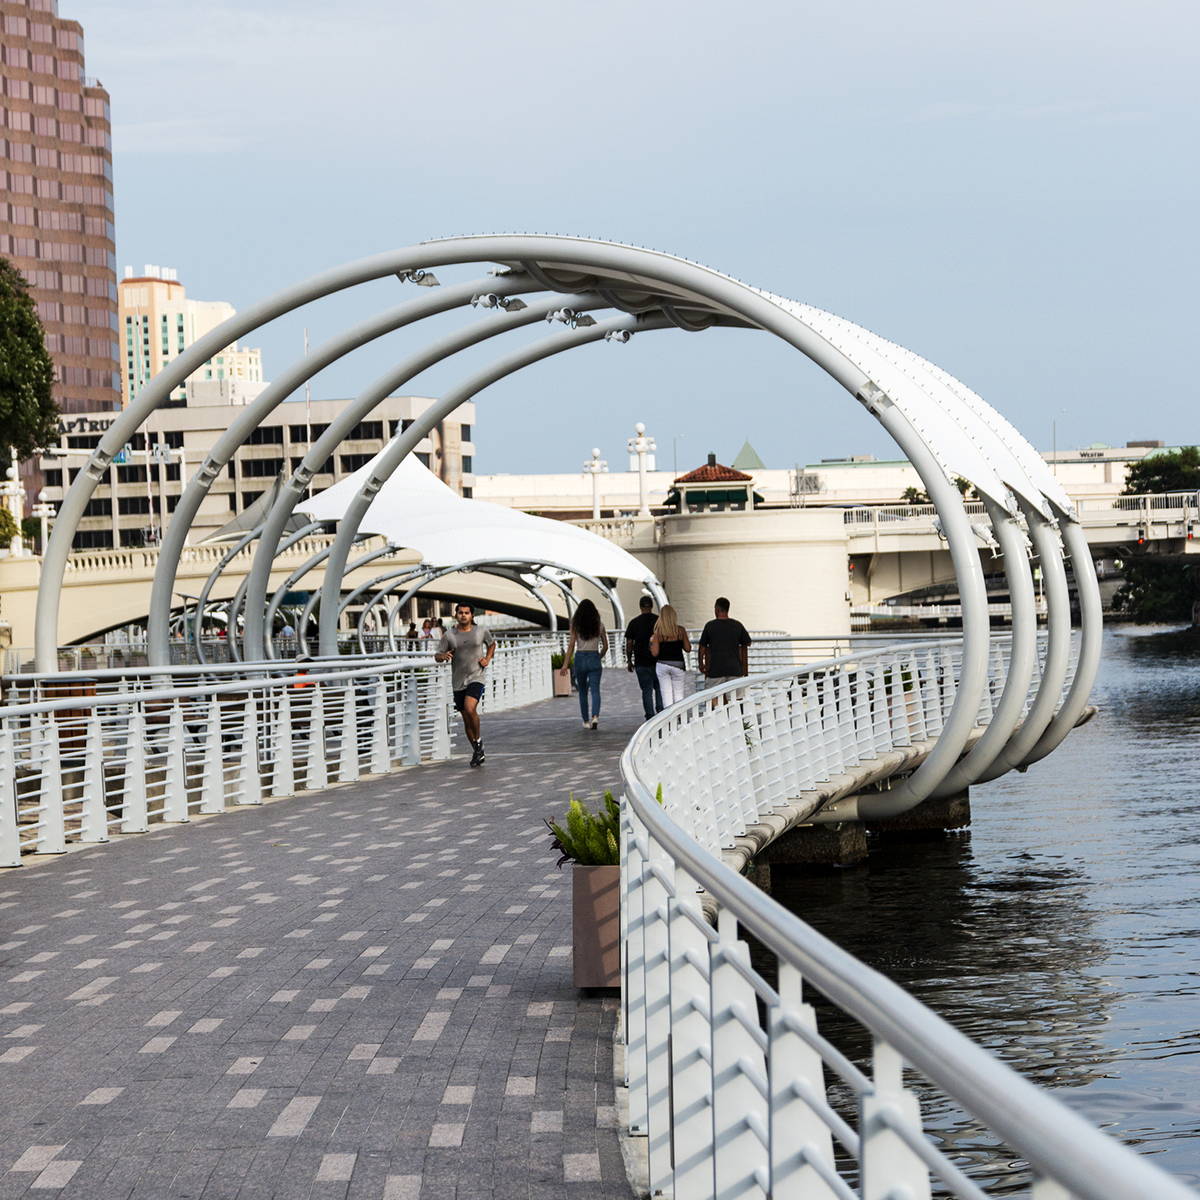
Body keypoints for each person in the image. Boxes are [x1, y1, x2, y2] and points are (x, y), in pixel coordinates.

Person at [434, 602, 496, 767]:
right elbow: (437, 655)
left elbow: (492, 644)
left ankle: (478, 742)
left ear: (472, 616)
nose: (463, 615)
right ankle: (477, 751)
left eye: (466, 613)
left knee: (470, 709)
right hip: (458, 681)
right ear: (456, 615)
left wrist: (487, 659)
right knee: (465, 718)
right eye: (460, 613)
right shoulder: (449, 635)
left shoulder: (481, 631)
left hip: (476, 676)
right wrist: (444, 656)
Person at [560, 598, 608, 729]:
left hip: (580, 657)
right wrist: (599, 657)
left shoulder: (575, 626)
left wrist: (565, 665)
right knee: (595, 690)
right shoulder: (600, 625)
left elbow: (571, 645)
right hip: (594, 656)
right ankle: (595, 717)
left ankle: (586, 721)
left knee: (582, 691)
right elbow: (605, 646)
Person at [697, 597, 752, 696]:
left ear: (717, 609)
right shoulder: (737, 625)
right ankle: (732, 712)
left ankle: (718, 708)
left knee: (710, 695)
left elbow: (702, 647)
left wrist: (701, 663)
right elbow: (748, 642)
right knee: (737, 697)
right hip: (735, 669)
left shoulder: (710, 626)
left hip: (716, 669)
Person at [625, 596, 663, 720]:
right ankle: (661, 713)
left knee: (646, 690)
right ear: (652, 607)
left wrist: (629, 660)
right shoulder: (659, 621)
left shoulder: (634, 623)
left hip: (641, 662)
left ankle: (650, 718)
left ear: (640, 607)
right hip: (658, 661)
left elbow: (629, 644)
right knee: (659, 688)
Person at [650, 604, 691, 707]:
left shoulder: (658, 632)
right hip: (678, 665)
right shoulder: (680, 630)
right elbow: (688, 648)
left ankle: (669, 720)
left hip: (662, 664)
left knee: (666, 695)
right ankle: (680, 719)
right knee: (679, 694)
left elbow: (655, 653)